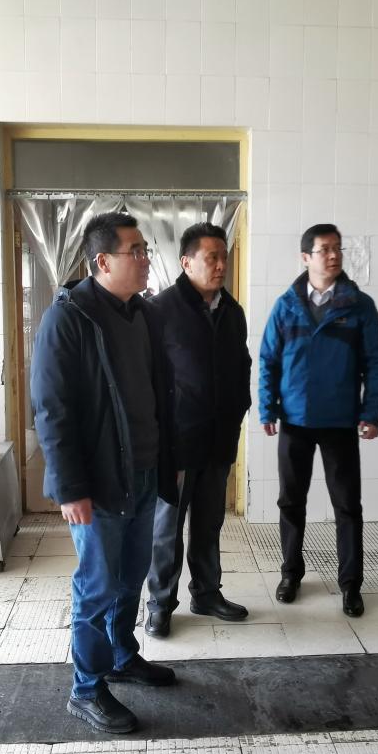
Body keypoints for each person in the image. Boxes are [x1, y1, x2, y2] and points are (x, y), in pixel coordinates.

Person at [31, 212, 179, 734]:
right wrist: (69, 488)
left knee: (131, 575)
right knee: (97, 586)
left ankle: (121, 655)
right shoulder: (69, 318)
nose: (145, 259)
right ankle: (87, 688)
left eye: (145, 250)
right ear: (102, 261)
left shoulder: (144, 313)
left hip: (143, 472)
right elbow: (51, 410)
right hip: (97, 482)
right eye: (135, 251)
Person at [259, 223, 378, 617]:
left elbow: (375, 363)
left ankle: (350, 585)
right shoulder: (286, 305)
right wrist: (267, 407)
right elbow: (268, 360)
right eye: (324, 249)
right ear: (305, 257)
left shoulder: (359, 305)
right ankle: (290, 574)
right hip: (295, 420)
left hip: (340, 422)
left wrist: (371, 412)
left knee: (347, 505)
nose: (333, 256)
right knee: (290, 502)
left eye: (337, 249)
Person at [144, 223, 252, 638]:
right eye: (212, 258)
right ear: (187, 262)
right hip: (177, 443)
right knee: (167, 529)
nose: (221, 265)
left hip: (219, 439)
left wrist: (238, 410)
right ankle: (160, 604)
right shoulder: (160, 310)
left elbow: (241, 366)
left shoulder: (232, 312)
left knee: (209, 523)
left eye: (224, 257)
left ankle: (206, 593)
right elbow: (149, 379)